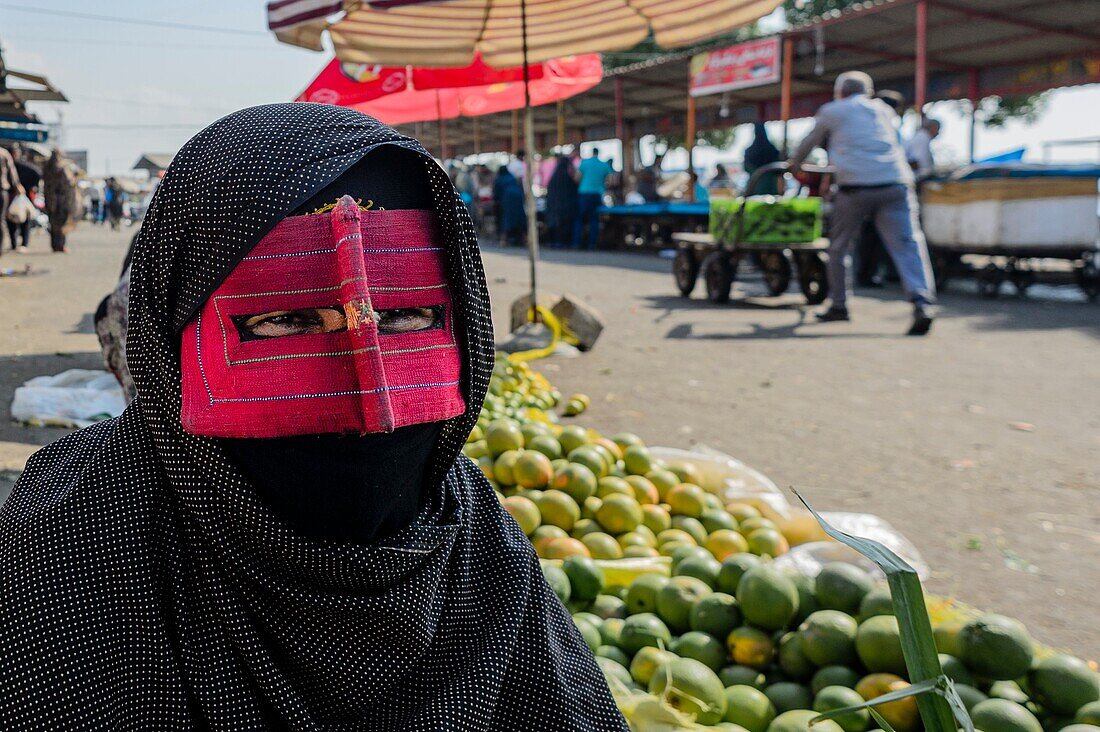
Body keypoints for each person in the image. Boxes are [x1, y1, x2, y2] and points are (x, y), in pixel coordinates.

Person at [0, 103, 628, 731]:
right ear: (171, 339)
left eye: (406, 316)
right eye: (284, 321)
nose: (374, 414)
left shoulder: (477, 542)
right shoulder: (62, 542)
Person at [789, 71, 936, 335]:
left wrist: (794, 165)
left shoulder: (832, 111)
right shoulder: (884, 111)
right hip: (895, 183)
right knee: (908, 244)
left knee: (839, 247)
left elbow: (807, 144)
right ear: (868, 92)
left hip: (854, 187)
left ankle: (839, 306)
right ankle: (922, 302)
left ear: (840, 92)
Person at [572, 146, 613, 250]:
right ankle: (592, 244)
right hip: (597, 194)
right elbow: (611, 181)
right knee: (594, 220)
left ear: (591, 153)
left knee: (579, 219)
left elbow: (577, 178)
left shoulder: (584, 163)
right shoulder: (604, 165)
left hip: (584, 193)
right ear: (598, 154)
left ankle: (576, 243)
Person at [42, 149, 77, 253]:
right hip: (61, 200)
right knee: (62, 222)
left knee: (53, 223)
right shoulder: (62, 167)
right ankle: (61, 245)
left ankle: (54, 245)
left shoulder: (47, 167)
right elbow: (69, 182)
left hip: (49, 198)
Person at [544, 154, 578, 248]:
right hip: (565, 207)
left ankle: (553, 242)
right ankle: (562, 242)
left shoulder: (554, 177)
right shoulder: (568, 178)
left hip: (553, 207)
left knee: (553, 224)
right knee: (563, 225)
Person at [744, 122, 782, 196]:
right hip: (770, 187)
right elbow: (779, 171)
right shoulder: (773, 150)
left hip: (755, 186)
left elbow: (746, 168)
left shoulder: (749, 151)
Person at [492, 163, 526, 246]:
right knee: (520, 219)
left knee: (507, 219)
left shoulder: (500, 179)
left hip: (507, 199)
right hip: (518, 198)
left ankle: (504, 240)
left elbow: (496, 193)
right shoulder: (512, 177)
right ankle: (524, 239)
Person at [0, 145, 26, 253]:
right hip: (2, 191)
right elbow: (12, 172)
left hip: (2, 190)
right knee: (1, 221)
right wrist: (17, 185)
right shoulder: (3, 153)